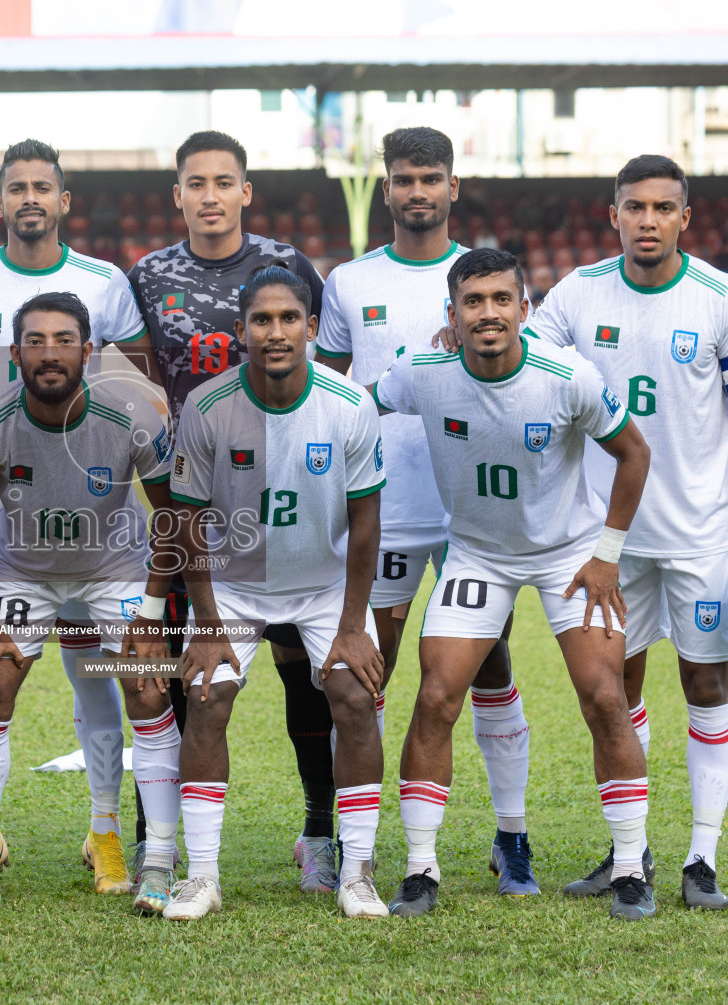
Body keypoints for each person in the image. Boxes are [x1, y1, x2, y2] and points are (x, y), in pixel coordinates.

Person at [370, 248, 655, 921]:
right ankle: (420, 869)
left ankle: (629, 868)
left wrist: (607, 555)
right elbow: (357, 406)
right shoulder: (423, 372)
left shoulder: (567, 377)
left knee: (605, 696)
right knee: (437, 694)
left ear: (525, 310)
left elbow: (633, 453)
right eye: (474, 302)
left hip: (569, 555)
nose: (488, 312)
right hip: (477, 555)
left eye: (502, 299)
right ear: (453, 315)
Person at [524, 155, 728, 909]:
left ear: (684, 218)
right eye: (634, 207)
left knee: (705, 681)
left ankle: (703, 856)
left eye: (663, 208)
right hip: (607, 539)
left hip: (700, 533)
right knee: (613, 689)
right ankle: (627, 849)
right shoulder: (576, 294)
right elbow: (521, 360)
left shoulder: (719, 296)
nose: (647, 220)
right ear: (613, 215)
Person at [315, 126, 534, 896]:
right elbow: (331, 393)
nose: (417, 191)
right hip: (386, 506)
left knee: (491, 667)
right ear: (386, 187)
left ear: (453, 186)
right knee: (366, 674)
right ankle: (361, 845)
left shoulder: (484, 278)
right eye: (404, 178)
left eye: (430, 178)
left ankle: (512, 836)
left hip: (474, 514)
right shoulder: (347, 283)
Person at [0, 139, 150, 893]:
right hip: (8, 510)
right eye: (15, 186)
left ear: (63, 200)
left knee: (104, 682)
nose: (30, 197)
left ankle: (106, 834)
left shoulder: (103, 281)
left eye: (42, 186)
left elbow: (135, 382)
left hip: (95, 523)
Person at [121, 130, 339, 893]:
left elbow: (327, 364)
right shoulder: (149, 275)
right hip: (196, 499)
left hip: (285, 487)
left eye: (224, 182)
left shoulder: (286, 267)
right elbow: (141, 382)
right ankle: (162, 841)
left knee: (302, 671)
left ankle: (321, 831)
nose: (209, 195)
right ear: (176, 195)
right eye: (195, 183)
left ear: (246, 191)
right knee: (189, 668)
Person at [165, 262, 389, 921]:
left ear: (312, 327)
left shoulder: (349, 404)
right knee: (205, 697)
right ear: (241, 331)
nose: (276, 331)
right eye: (261, 319)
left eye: (289, 318)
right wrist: (206, 623)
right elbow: (184, 520)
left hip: (322, 585)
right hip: (234, 588)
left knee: (354, 696)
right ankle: (201, 876)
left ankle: (357, 872)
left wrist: (352, 625)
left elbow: (366, 522)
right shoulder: (207, 408)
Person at [0, 291, 179, 913]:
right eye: (34, 341)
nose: (49, 354)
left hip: (113, 571)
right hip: (23, 574)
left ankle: (149, 855)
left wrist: (153, 616)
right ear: (16, 352)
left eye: (62, 341)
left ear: (89, 350)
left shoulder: (131, 417)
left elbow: (173, 516)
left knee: (150, 689)